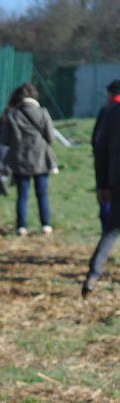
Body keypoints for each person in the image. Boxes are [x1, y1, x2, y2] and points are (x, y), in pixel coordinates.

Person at [1, 82, 57, 236]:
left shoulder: (13, 115)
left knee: (22, 195)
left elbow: (5, 140)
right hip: (40, 159)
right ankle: (46, 225)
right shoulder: (43, 112)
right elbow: (51, 137)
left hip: (20, 160)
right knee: (42, 194)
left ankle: (21, 227)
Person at [82, 90, 120, 298]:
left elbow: (100, 150)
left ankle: (92, 275)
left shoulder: (113, 113)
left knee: (111, 230)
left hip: (116, 181)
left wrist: (102, 184)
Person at [91, 79, 120, 233]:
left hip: (110, 170)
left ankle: (106, 231)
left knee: (107, 207)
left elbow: (97, 142)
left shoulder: (107, 110)